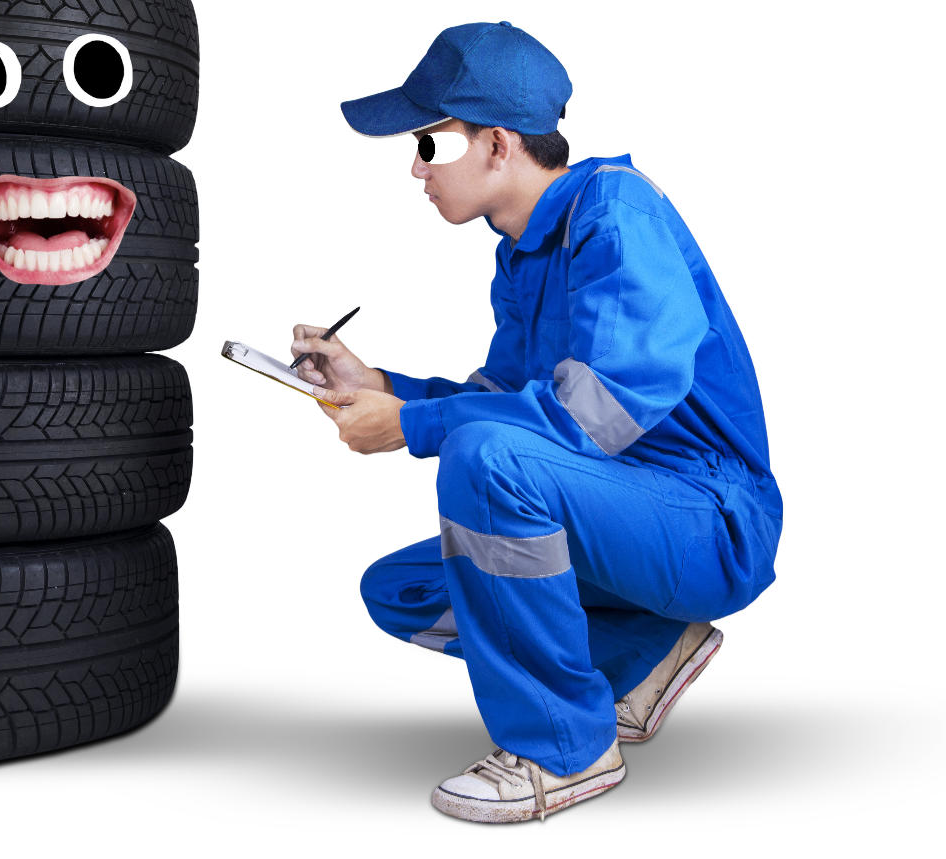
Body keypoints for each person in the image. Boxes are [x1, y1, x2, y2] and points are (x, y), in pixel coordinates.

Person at [290, 21, 782, 823]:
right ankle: (651, 654)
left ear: (495, 144)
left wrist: (412, 426)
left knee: (487, 458)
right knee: (404, 589)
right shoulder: (523, 252)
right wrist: (379, 383)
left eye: (429, 143)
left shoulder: (617, 214)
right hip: (620, 508)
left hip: (710, 519)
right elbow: (505, 398)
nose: (416, 167)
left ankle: (565, 748)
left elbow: (592, 414)